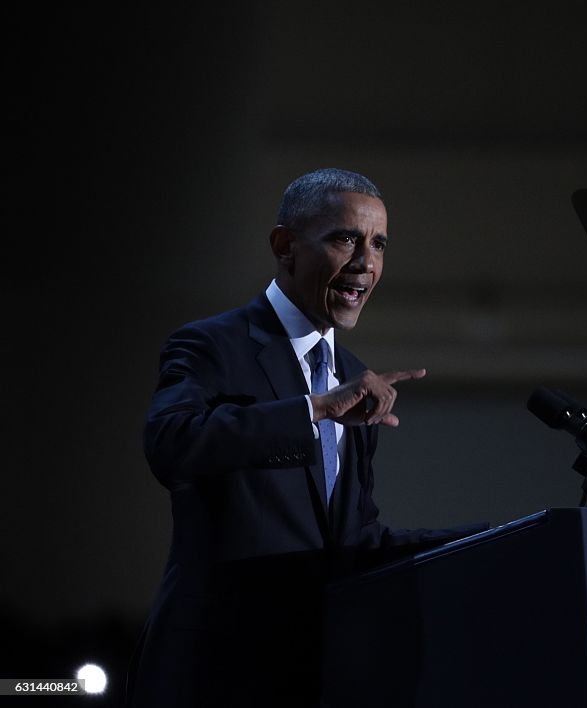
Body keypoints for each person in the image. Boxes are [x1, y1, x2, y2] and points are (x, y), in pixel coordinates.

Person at [126, 169, 484, 707]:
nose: (366, 261)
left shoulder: (352, 371)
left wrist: (496, 538)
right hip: (214, 675)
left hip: (312, 679)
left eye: (379, 244)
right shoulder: (213, 344)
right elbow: (171, 445)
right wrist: (312, 410)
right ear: (284, 245)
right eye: (345, 238)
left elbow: (353, 542)